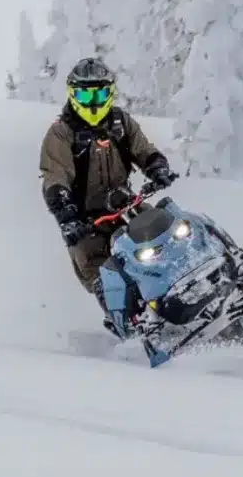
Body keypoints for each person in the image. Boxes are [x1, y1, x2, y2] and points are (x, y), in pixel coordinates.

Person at [39, 57, 179, 302]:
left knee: (174, 230)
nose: (93, 104)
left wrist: (157, 167)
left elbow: (143, 149)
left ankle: (213, 273)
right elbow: (55, 175)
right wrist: (67, 215)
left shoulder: (120, 122)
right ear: (73, 96)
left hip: (127, 208)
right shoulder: (61, 133)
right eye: (85, 97)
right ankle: (135, 326)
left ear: (111, 93)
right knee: (104, 277)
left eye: (100, 95)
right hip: (86, 224)